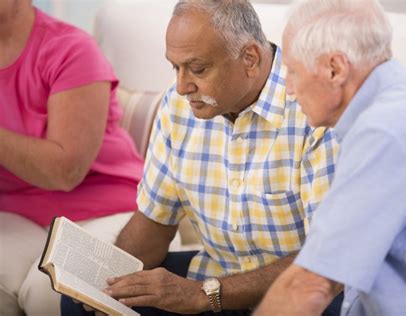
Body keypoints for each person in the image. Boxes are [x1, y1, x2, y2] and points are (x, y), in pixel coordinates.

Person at [61, 0, 341, 315]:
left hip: (305, 295)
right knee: (81, 305)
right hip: (215, 279)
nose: (181, 87)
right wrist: (105, 282)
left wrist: (204, 295)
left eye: (197, 69)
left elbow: (328, 258)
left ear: (249, 58)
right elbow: (156, 221)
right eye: (175, 67)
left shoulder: (316, 110)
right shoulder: (178, 106)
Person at [255, 0, 406, 315]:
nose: (289, 89)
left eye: (293, 70)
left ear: (336, 69)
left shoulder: (386, 132)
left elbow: (309, 286)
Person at [0, 0, 144, 315]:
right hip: (18, 213)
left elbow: (65, 171)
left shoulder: (71, 49)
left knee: (52, 293)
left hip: (106, 210)